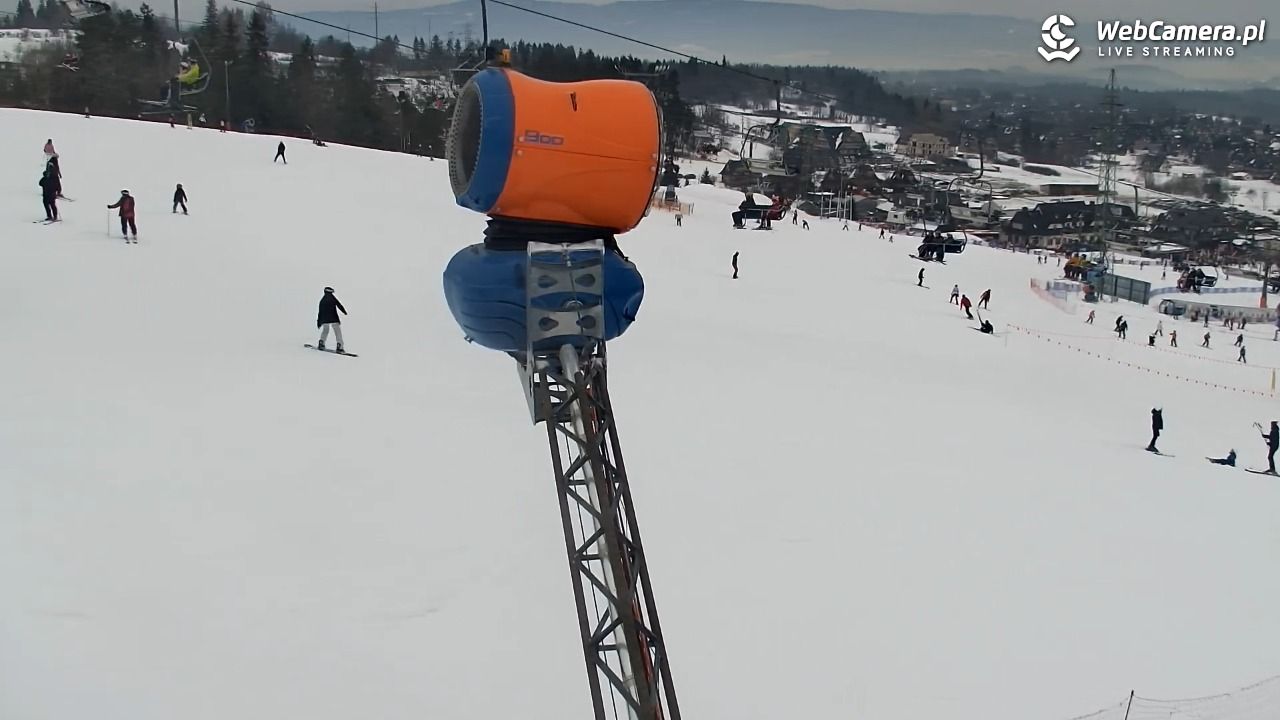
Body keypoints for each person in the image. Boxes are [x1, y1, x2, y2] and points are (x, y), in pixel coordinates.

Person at [316, 287, 347, 352]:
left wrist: (319, 322)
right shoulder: (332, 298)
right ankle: (340, 346)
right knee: (337, 331)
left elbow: (320, 312)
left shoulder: (322, 300)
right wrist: (344, 311)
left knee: (325, 330)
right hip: (333, 318)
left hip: (324, 319)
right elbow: (339, 305)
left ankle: (321, 342)